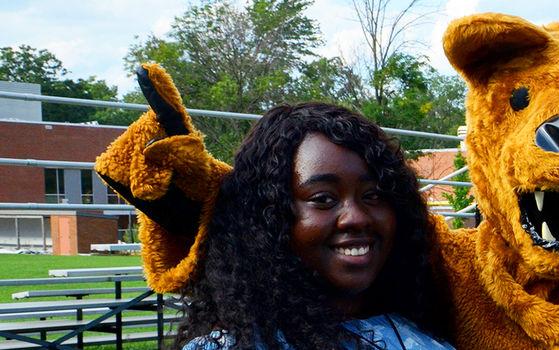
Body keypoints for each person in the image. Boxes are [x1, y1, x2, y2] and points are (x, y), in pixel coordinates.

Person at [104, 68, 452, 349]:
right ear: (268, 220)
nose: (356, 216)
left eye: (374, 195)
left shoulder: (425, 339)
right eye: (323, 199)